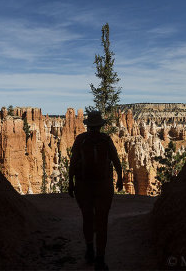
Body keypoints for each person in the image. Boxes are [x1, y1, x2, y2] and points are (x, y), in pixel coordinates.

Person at [68, 111, 123, 270]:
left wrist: (70, 182)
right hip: (103, 185)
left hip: (83, 185)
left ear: (88, 125)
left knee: (87, 217)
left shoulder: (80, 139)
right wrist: (119, 177)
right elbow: (116, 160)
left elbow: (73, 163)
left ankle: (89, 250)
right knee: (102, 221)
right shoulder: (106, 140)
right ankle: (100, 259)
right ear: (100, 125)